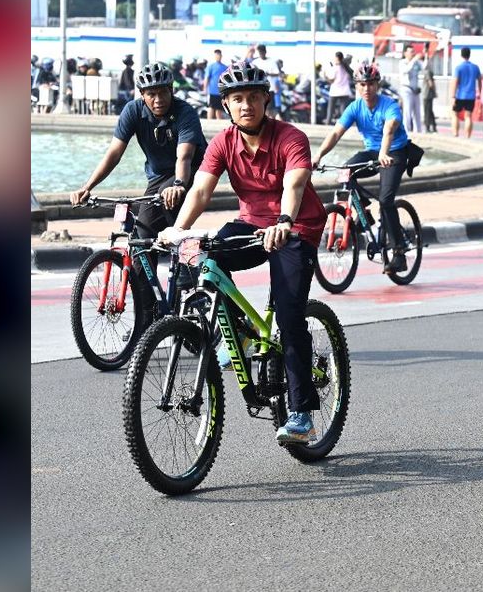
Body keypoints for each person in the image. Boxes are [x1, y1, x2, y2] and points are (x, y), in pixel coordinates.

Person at [161, 64, 327, 444]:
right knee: (204, 257)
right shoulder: (223, 142)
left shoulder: (291, 137)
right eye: (238, 99)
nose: (246, 105)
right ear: (226, 106)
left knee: (289, 316)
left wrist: (285, 220)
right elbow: (201, 190)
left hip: (295, 228)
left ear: (266, 99)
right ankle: (243, 331)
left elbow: (295, 183)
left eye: (254, 97)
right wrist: (179, 230)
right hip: (251, 225)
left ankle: (301, 412)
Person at [70, 62, 207, 241]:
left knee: (171, 218)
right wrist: (87, 187)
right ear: (142, 95)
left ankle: (183, 261)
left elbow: (185, 156)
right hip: (158, 176)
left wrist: (179, 185)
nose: (158, 99)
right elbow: (114, 153)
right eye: (151, 94)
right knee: (142, 235)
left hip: (191, 172)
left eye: (163, 92)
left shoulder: (185, 112)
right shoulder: (133, 110)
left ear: (171, 90)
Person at [311, 62, 413, 273]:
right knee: (345, 172)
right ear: (356, 86)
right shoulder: (355, 107)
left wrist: (384, 153)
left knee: (386, 200)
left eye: (371, 84)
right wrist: (318, 156)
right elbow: (336, 133)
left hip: (394, 152)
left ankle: (399, 253)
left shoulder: (389, 105)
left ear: (378, 85)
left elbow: (389, 130)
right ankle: (363, 213)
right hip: (373, 152)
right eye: (362, 85)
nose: (367, 89)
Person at [451, 47, 481, 138]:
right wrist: (480, 92)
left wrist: (452, 96)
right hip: (471, 95)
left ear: (461, 55)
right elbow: (479, 80)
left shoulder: (459, 68)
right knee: (468, 116)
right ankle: (467, 135)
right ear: (469, 54)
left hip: (460, 95)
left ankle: (455, 133)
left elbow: (455, 82)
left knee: (455, 113)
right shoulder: (475, 67)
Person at [400, 46, 425, 133]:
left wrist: (426, 55)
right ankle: (406, 131)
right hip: (406, 89)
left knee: (417, 112)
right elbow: (406, 70)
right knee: (407, 111)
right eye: (410, 52)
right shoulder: (403, 62)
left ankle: (418, 131)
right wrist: (414, 60)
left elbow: (424, 67)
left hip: (415, 90)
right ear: (405, 53)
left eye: (413, 52)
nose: (412, 54)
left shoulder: (416, 62)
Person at [326, 52, 354, 124]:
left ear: (336, 58)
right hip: (344, 91)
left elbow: (331, 80)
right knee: (343, 110)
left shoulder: (335, 68)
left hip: (335, 91)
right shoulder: (346, 68)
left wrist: (325, 77)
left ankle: (328, 123)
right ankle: (344, 124)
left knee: (330, 109)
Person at [203, 49, 229, 120]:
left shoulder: (225, 67)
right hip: (212, 91)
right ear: (214, 56)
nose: (218, 56)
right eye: (216, 55)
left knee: (219, 108)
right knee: (211, 107)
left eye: (219, 55)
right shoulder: (211, 66)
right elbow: (206, 78)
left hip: (221, 91)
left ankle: (218, 124)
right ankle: (209, 121)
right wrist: (205, 89)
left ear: (221, 56)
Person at [421, 64, 438, 133]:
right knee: (430, 111)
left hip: (427, 94)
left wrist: (434, 91)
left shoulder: (427, 72)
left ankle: (427, 127)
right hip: (429, 94)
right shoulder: (429, 71)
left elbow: (430, 83)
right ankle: (433, 126)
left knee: (427, 111)